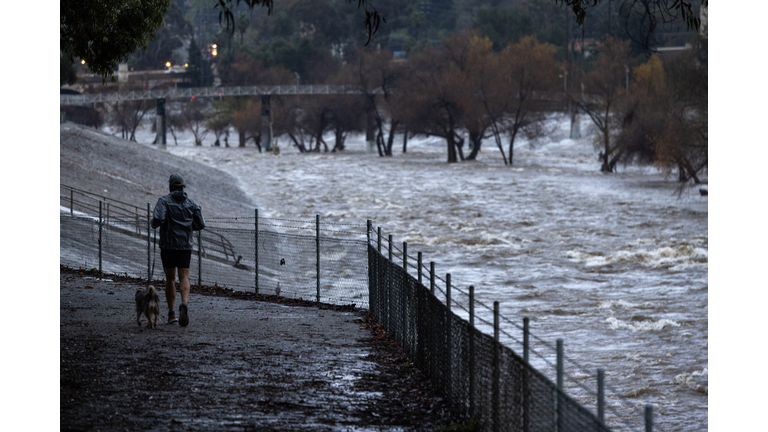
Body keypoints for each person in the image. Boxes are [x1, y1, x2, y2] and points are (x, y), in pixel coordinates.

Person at [152, 173, 206, 326]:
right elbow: (201, 224)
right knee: (184, 277)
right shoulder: (192, 203)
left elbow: (158, 219)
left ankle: (172, 314)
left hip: (168, 245)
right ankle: (184, 302)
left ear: (170, 186)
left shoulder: (164, 201)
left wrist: (154, 224)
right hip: (185, 246)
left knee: (170, 279)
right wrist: (188, 228)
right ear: (183, 187)